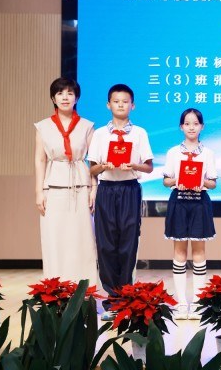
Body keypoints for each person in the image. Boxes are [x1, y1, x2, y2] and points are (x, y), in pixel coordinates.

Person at [88, 84, 153, 320]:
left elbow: (149, 166)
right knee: (106, 244)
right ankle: (112, 299)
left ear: (132, 105)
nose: (121, 105)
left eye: (125, 101)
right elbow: (92, 168)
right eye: (116, 101)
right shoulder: (99, 134)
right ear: (108, 104)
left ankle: (126, 298)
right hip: (106, 190)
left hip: (129, 189)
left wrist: (134, 165)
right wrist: (103, 166)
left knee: (128, 243)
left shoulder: (139, 133)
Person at [34, 77, 98, 285]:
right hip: (53, 188)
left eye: (70, 93)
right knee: (54, 239)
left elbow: (94, 160)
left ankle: (85, 290)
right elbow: (40, 160)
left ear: (76, 98)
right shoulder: (43, 127)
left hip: (81, 187)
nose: (65, 97)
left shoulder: (87, 126)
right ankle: (56, 289)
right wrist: (39, 192)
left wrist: (94, 189)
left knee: (83, 239)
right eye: (60, 93)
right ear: (53, 98)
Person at [162, 108, 217, 320]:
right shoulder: (173, 152)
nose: (191, 127)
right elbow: (166, 180)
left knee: (199, 252)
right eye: (187, 123)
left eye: (195, 123)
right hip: (179, 202)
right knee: (179, 252)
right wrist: (179, 181)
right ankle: (181, 303)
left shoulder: (208, 153)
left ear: (202, 126)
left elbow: (212, 183)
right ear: (181, 127)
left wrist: (200, 182)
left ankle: (197, 302)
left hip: (199, 203)